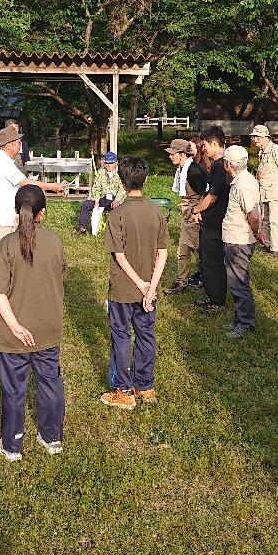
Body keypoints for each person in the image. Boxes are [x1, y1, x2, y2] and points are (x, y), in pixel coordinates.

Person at [0, 185, 66, 461]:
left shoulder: (6, 245)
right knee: (50, 383)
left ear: (17, 212)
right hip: (48, 330)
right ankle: (52, 437)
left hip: (13, 335)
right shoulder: (54, 241)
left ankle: (12, 444)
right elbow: (60, 276)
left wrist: (16, 327)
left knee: (14, 390)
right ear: (42, 213)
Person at [100, 157, 169, 409]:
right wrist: (150, 287)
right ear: (146, 179)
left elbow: (119, 255)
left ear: (121, 181)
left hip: (123, 289)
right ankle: (145, 386)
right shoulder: (157, 213)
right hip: (150, 290)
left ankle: (124, 390)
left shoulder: (117, 214)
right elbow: (163, 253)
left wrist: (140, 284)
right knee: (146, 334)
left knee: (121, 336)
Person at [0, 124, 63, 310]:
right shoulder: (2, 161)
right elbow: (25, 183)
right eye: (17, 142)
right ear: (8, 145)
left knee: (1, 255)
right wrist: (52, 187)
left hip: (0, 217)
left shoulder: (3, 160)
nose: (20, 145)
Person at [220, 145, 265, 339]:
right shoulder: (242, 180)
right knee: (236, 280)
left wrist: (257, 232)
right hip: (235, 238)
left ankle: (245, 323)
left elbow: (253, 215)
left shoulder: (243, 184)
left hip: (239, 240)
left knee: (238, 282)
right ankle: (239, 319)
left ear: (228, 164)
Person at [190, 125, 230, 311]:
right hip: (209, 220)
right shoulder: (216, 165)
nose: (203, 148)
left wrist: (196, 210)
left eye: (205, 144)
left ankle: (217, 301)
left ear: (214, 144)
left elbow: (212, 197)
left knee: (213, 262)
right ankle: (212, 296)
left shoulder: (221, 167)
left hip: (215, 223)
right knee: (206, 261)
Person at [164, 138, 206, 294]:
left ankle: (208, 280)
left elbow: (207, 194)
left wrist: (195, 209)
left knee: (199, 250)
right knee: (183, 250)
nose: (170, 156)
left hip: (195, 216)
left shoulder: (194, 171)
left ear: (182, 154)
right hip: (186, 214)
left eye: (172, 154)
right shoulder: (181, 169)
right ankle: (182, 282)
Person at [250, 125, 278, 255]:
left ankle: (275, 248)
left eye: (257, 137)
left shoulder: (275, 149)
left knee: (274, 220)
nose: (254, 139)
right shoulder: (262, 151)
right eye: (253, 137)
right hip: (265, 190)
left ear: (265, 137)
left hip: (275, 190)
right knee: (266, 219)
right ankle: (267, 244)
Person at [77, 152, 125, 234]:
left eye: (111, 163)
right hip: (102, 198)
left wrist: (117, 200)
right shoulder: (101, 172)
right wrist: (96, 200)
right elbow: (96, 187)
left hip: (115, 200)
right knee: (86, 204)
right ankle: (82, 229)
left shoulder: (121, 173)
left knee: (119, 208)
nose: (108, 165)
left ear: (116, 162)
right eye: (107, 163)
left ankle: (116, 230)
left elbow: (122, 189)